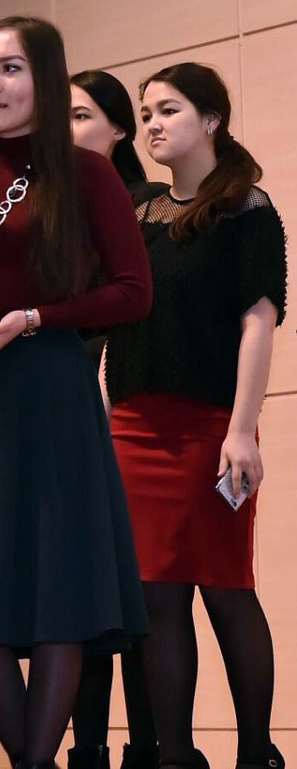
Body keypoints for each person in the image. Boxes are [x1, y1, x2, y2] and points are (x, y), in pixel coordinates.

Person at [0, 17, 153, 769]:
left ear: (45, 80)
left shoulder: (88, 176)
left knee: (56, 600)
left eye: (10, 69)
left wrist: (36, 318)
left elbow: (133, 292)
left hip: (53, 396)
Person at [103, 63, 287, 769]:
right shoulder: (140, 216)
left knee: (226, 587)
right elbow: (120, 321)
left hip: (210, 428)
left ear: (211, 120)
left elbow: (258, 322)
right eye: (147, 113)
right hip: (133, 429)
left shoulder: (248, 208)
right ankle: (176, 757)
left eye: (169, 110)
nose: (152, 124)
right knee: (156, 598)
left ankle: (256, 754)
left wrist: (241, 430)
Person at [68, 71, 164, 769]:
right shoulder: (50, 209)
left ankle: (148, 747)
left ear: (119, 129)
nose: (65, 130)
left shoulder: (147, 207)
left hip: (125, 407)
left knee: (137, 593)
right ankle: (89, 748)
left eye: (80, 116)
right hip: (64, 412)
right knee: (85, 595)